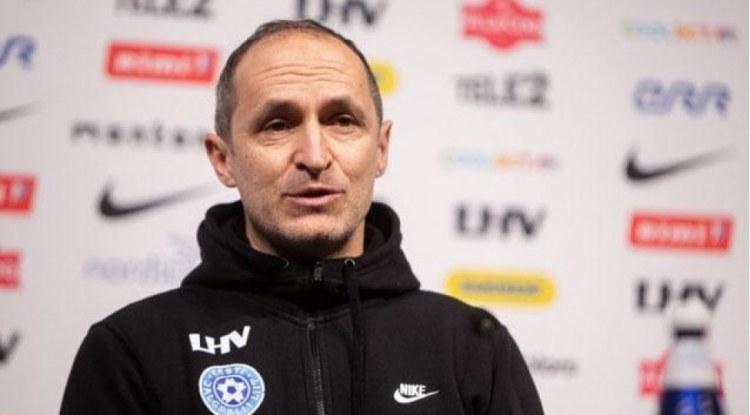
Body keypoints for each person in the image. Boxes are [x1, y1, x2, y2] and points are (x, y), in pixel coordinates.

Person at [60, 19, 544, 415]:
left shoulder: (472, 348)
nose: (314, 155)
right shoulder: (132, 350)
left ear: (380, 149)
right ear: (223, 159)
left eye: (342, 121)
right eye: (278, 125)